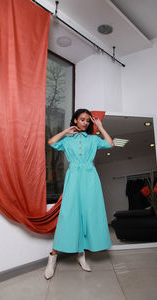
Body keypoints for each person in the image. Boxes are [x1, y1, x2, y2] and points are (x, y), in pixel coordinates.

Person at [44, 108, 114, 279]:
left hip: (90, 178)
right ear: (75, 120)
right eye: (82, 119)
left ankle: (81, 255)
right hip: (74, 178)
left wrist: (100, 125)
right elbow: (51, 142)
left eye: (87, 120)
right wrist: (66, 131)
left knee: (89, 214)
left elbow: (111, 143)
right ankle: (52, 257)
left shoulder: (93, 139)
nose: (85, 122)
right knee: (69, 215)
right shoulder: (68, 140)